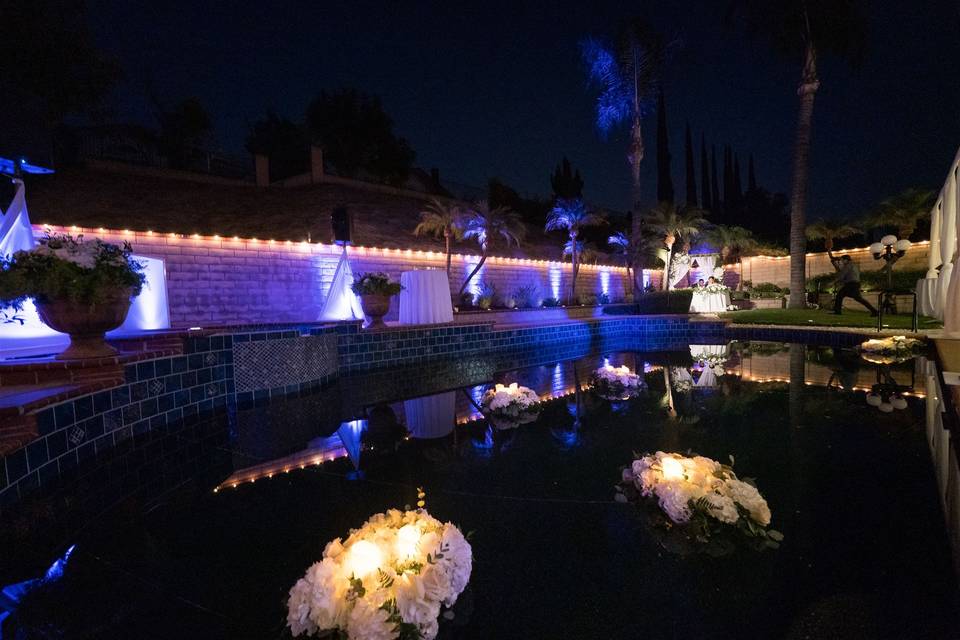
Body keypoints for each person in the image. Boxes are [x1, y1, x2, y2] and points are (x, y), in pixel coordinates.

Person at [829, 252, 877, 316]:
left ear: (846, 260)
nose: (842, 261)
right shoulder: (853, 265)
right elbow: (844, 273)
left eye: (842, 260)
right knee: (858, 299)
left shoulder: (848, 266)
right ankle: (874, 311)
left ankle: (837, 311)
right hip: (855, 284)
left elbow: (842, 275)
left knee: (840, 295)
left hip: (851, 284)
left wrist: (833, 282)